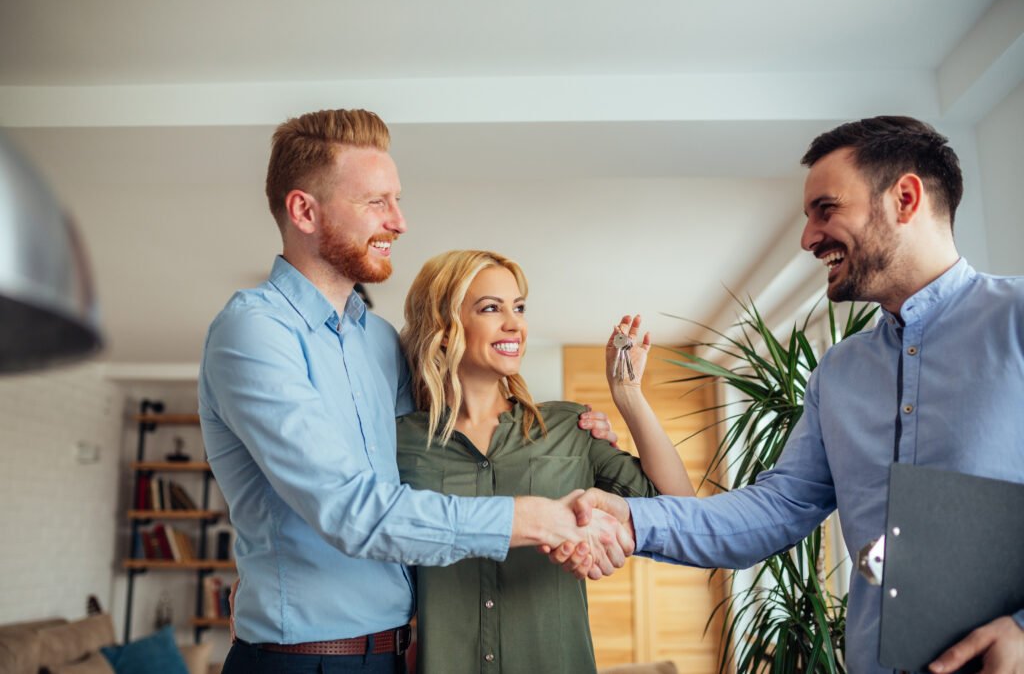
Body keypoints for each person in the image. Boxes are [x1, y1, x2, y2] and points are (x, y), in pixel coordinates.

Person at [560, 116, 1024, 674]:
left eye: (825, 209)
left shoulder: (1016, 319)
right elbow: (777, 508)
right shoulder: (840, 373)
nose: (808, 238)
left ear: (905, 198)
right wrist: (632, 520)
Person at [198, 108, 631, 674]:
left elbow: (438, 464)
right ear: (304, 210)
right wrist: (534, 519)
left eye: (397, 200)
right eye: (376, 202)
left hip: (395, 655)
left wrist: (582, 434)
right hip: (302, 661)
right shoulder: (253, 332)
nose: (399, 222)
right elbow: (350, 512)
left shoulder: (379, 342)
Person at [396, 250, 695, 673]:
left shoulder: (569, 427)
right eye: (491, 308)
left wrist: (628, 395)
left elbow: (682, 510)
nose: (514, 324)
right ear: (444, 329)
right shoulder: (400, 441)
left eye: (518, 308)